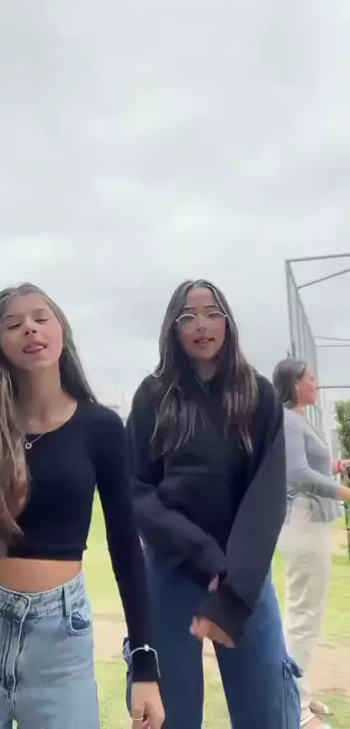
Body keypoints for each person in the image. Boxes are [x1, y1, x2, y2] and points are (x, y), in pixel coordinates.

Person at [0, 282, 164, 729]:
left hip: (62, 641)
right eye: (13, 324)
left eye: (40, 318)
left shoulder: (101, 427)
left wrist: (145, 666)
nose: (30, 329)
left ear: (61, 331)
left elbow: (126, 550)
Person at [125, 279, 301, 729]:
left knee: (265, 710)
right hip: (171, 570)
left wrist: (233, 580)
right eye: (188, 316)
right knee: (171, 714)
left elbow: (267, 494)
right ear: (173, 329)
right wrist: (202, 552)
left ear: (227, 322)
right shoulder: (153, 396)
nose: (201, 324)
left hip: (242, 579)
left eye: (211, 313)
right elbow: (134, 490)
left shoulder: (258, 394)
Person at [273, 358, 350, 729]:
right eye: (311, 378)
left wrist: (336, 467)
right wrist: (344, 492)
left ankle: (299, 689)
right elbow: (298, 474)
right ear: (295, 383)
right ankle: (298, 709)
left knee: (304, 613)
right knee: (304, 615)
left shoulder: (299, 420)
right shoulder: (288, 420)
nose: (316, 384)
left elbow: (311, 465)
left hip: (310, 524)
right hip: (302, 523)